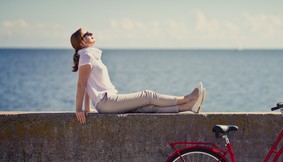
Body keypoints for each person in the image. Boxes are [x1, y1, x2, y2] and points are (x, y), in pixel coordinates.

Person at [70, 28, 206, 124]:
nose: (91, 33)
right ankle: (187, 98)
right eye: (86, 33)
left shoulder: (89, 55)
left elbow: (87, 83)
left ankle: (188, 107)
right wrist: (78, 109)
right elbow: (81, 84)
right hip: (106, 102)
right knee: (147, 96)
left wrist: (87, 108)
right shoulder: (87, 55)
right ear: (82, 42)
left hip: (107, 102)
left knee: (147, 108)